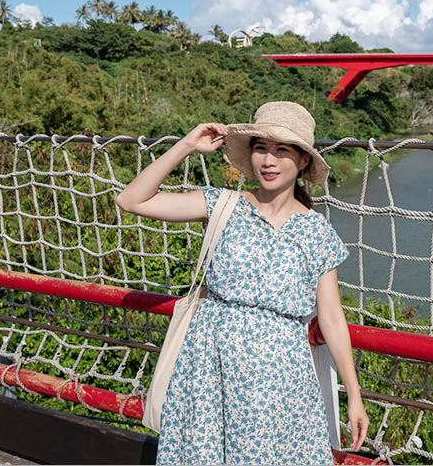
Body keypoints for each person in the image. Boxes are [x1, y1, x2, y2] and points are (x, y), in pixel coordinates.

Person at [116, 101, 369, 465]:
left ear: (302, 162)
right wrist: (187, 144)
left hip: (280, 377)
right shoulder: (223, 205)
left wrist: (354, 397)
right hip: (209, 366)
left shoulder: (317, 231)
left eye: (282, 150)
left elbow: (331, 318)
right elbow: (131, 199)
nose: (268, 160)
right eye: (261, 148)